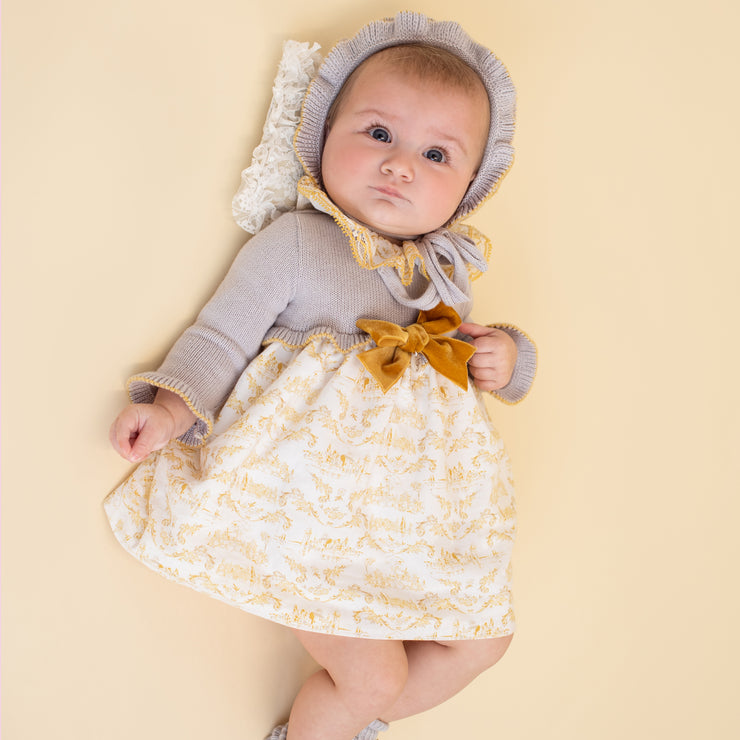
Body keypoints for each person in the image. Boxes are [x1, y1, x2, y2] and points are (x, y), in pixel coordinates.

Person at [106, 12, 536, 740]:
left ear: (470, 187)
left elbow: (464, 357)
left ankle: (347, 721)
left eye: (436, 154)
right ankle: (331, 724)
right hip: (311, 515)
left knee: (485, 642)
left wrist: (507, 355)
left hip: (406, 527)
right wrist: (174, 410)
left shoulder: (441, 275)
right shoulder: (300, 244)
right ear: (321, 135)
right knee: (378, 675)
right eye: (378, 135)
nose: (401, 165)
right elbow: (221, 334)